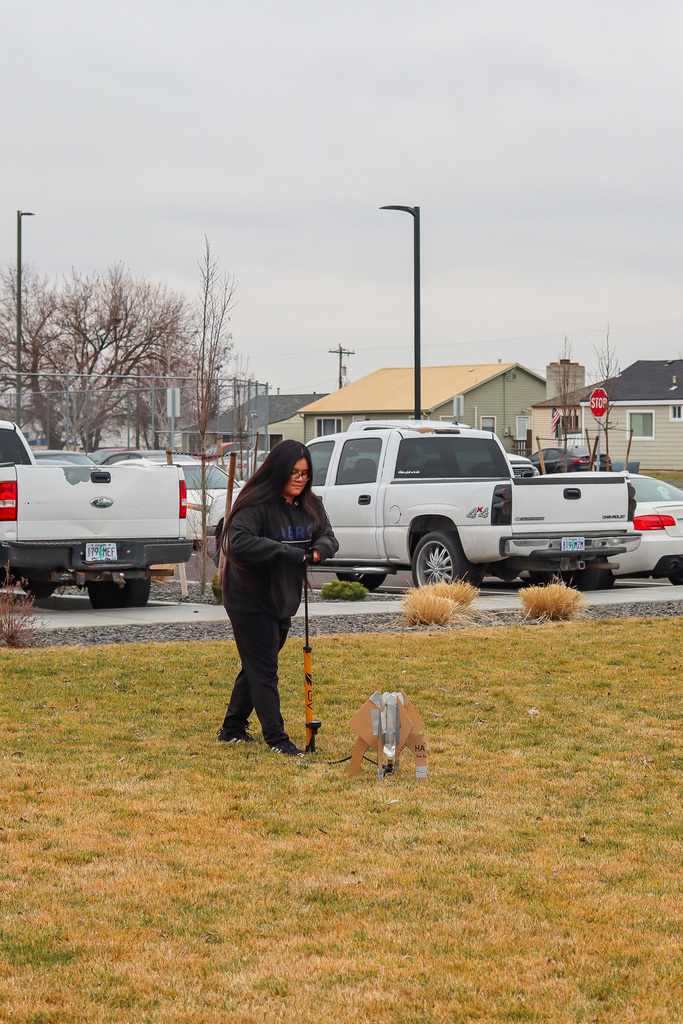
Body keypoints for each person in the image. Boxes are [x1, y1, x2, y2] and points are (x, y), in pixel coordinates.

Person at [217, 440, 338, 756]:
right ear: (278, 471)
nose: (300, 479)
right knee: (264, 667)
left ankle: (231, 729)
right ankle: (277, 739)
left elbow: (328, 536)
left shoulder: (311, 505)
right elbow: (238, 541)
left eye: (305, 473)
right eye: (294, 473)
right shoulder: (257, 505)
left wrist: (316, 551)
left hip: (282, 597)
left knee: (257, 664)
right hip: (248, 596)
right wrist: (288, 553)